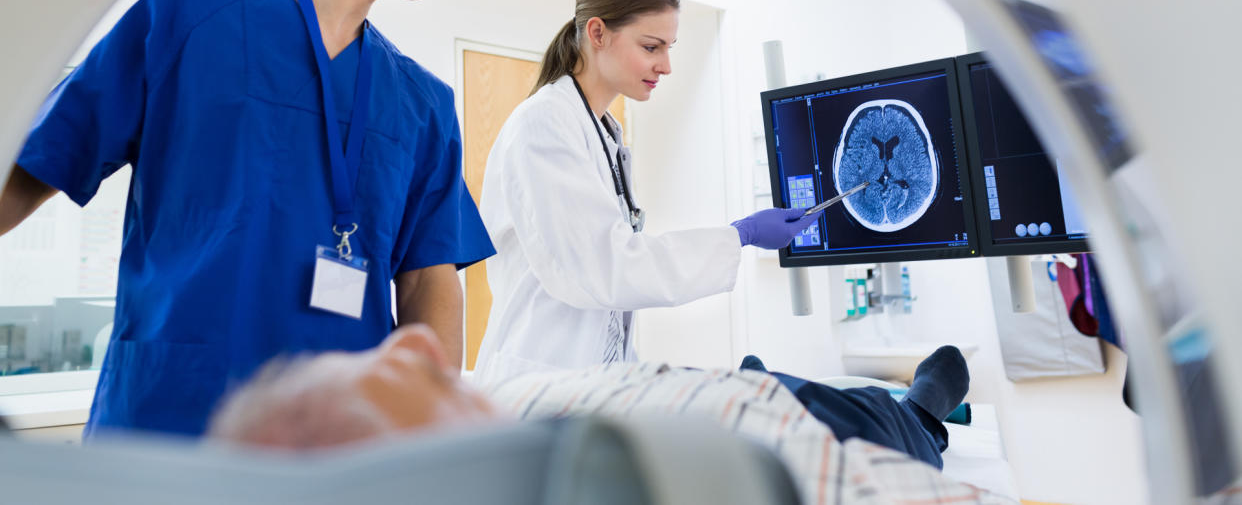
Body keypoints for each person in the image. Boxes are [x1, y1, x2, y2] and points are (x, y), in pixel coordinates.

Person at [0, 0, 494, 437]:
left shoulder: (422, 104)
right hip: (169, 426)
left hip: (338, 449)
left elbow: (429, 281)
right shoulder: (183, 21)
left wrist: (430, 437)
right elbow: (30, 169)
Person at [472, 0, 814, 385]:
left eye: (669, 47)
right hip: (540, 379)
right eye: (652, 47)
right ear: (597, 33)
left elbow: (609, 302)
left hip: (587, 384)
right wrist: (738, 235)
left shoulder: (601, 132)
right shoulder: (543, 125)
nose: (666, 65)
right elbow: (607, 267)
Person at [209, 326, 1011, 504]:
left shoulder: (502, 398)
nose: (416, 342)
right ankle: (929, 410)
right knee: (911, 406)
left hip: (712, 386)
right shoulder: (690, 475)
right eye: (387, 368)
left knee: (763, 374)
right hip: (807, 424)